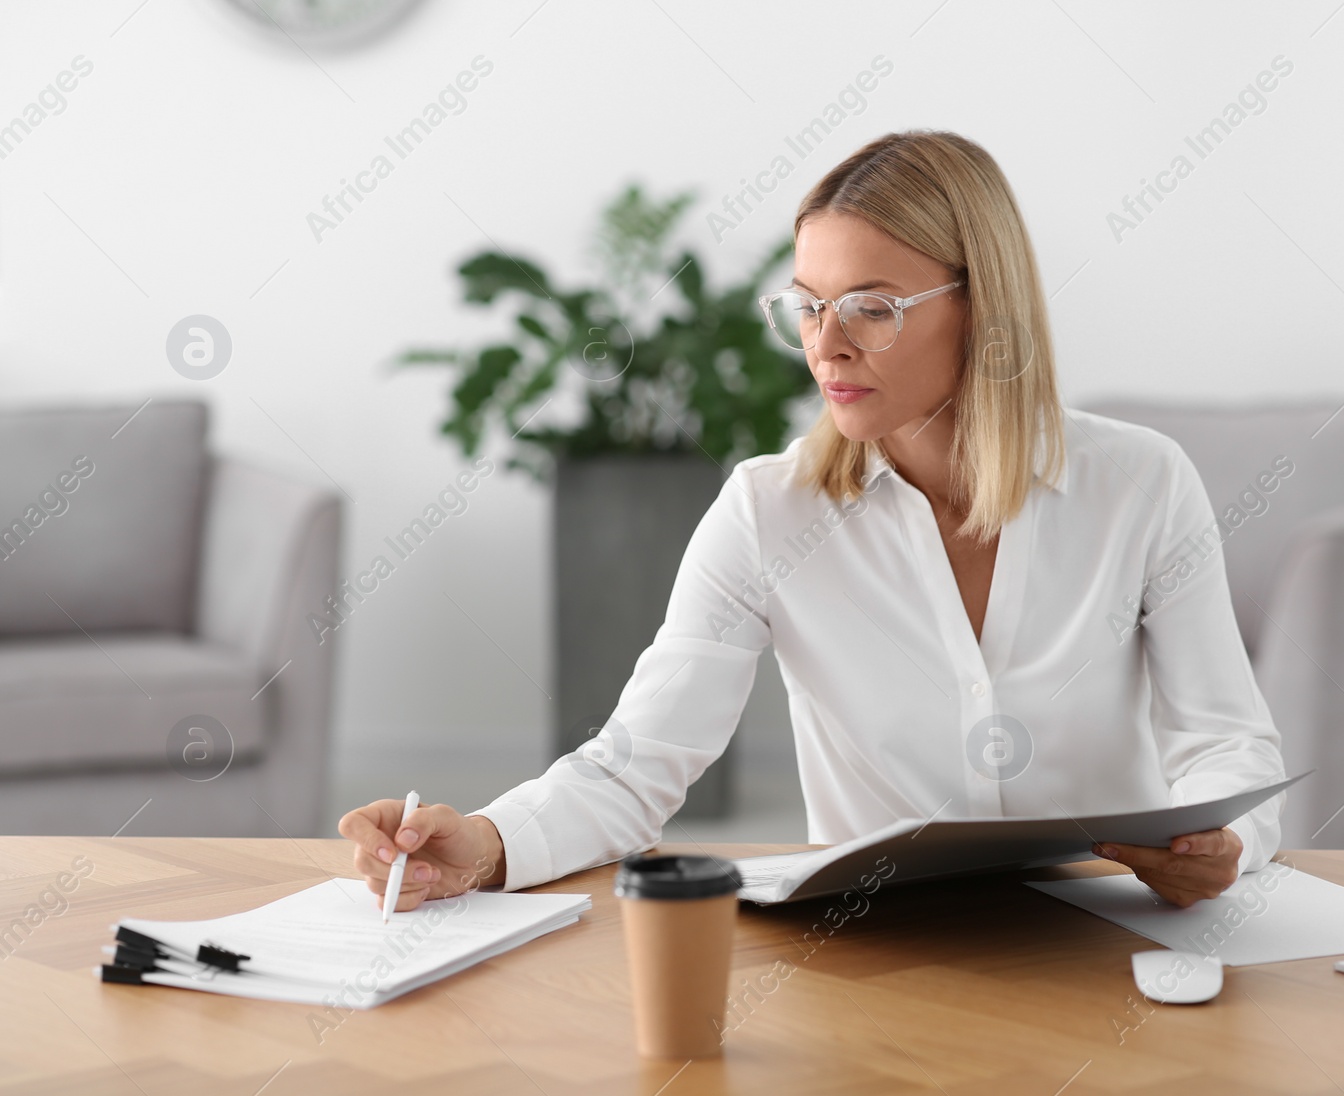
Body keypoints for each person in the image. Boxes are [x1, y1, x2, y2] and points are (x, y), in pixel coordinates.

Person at [340, 129, 1287, 912]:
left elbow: (1227, 742)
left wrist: (1220, 839)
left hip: (1102, 940)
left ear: (983, 309)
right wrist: (481, 846)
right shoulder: (767, 511)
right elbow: (633, 769)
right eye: (807, 307)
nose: (827, 345)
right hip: (874, 960)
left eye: (872, 308)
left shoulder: (1142, 483)